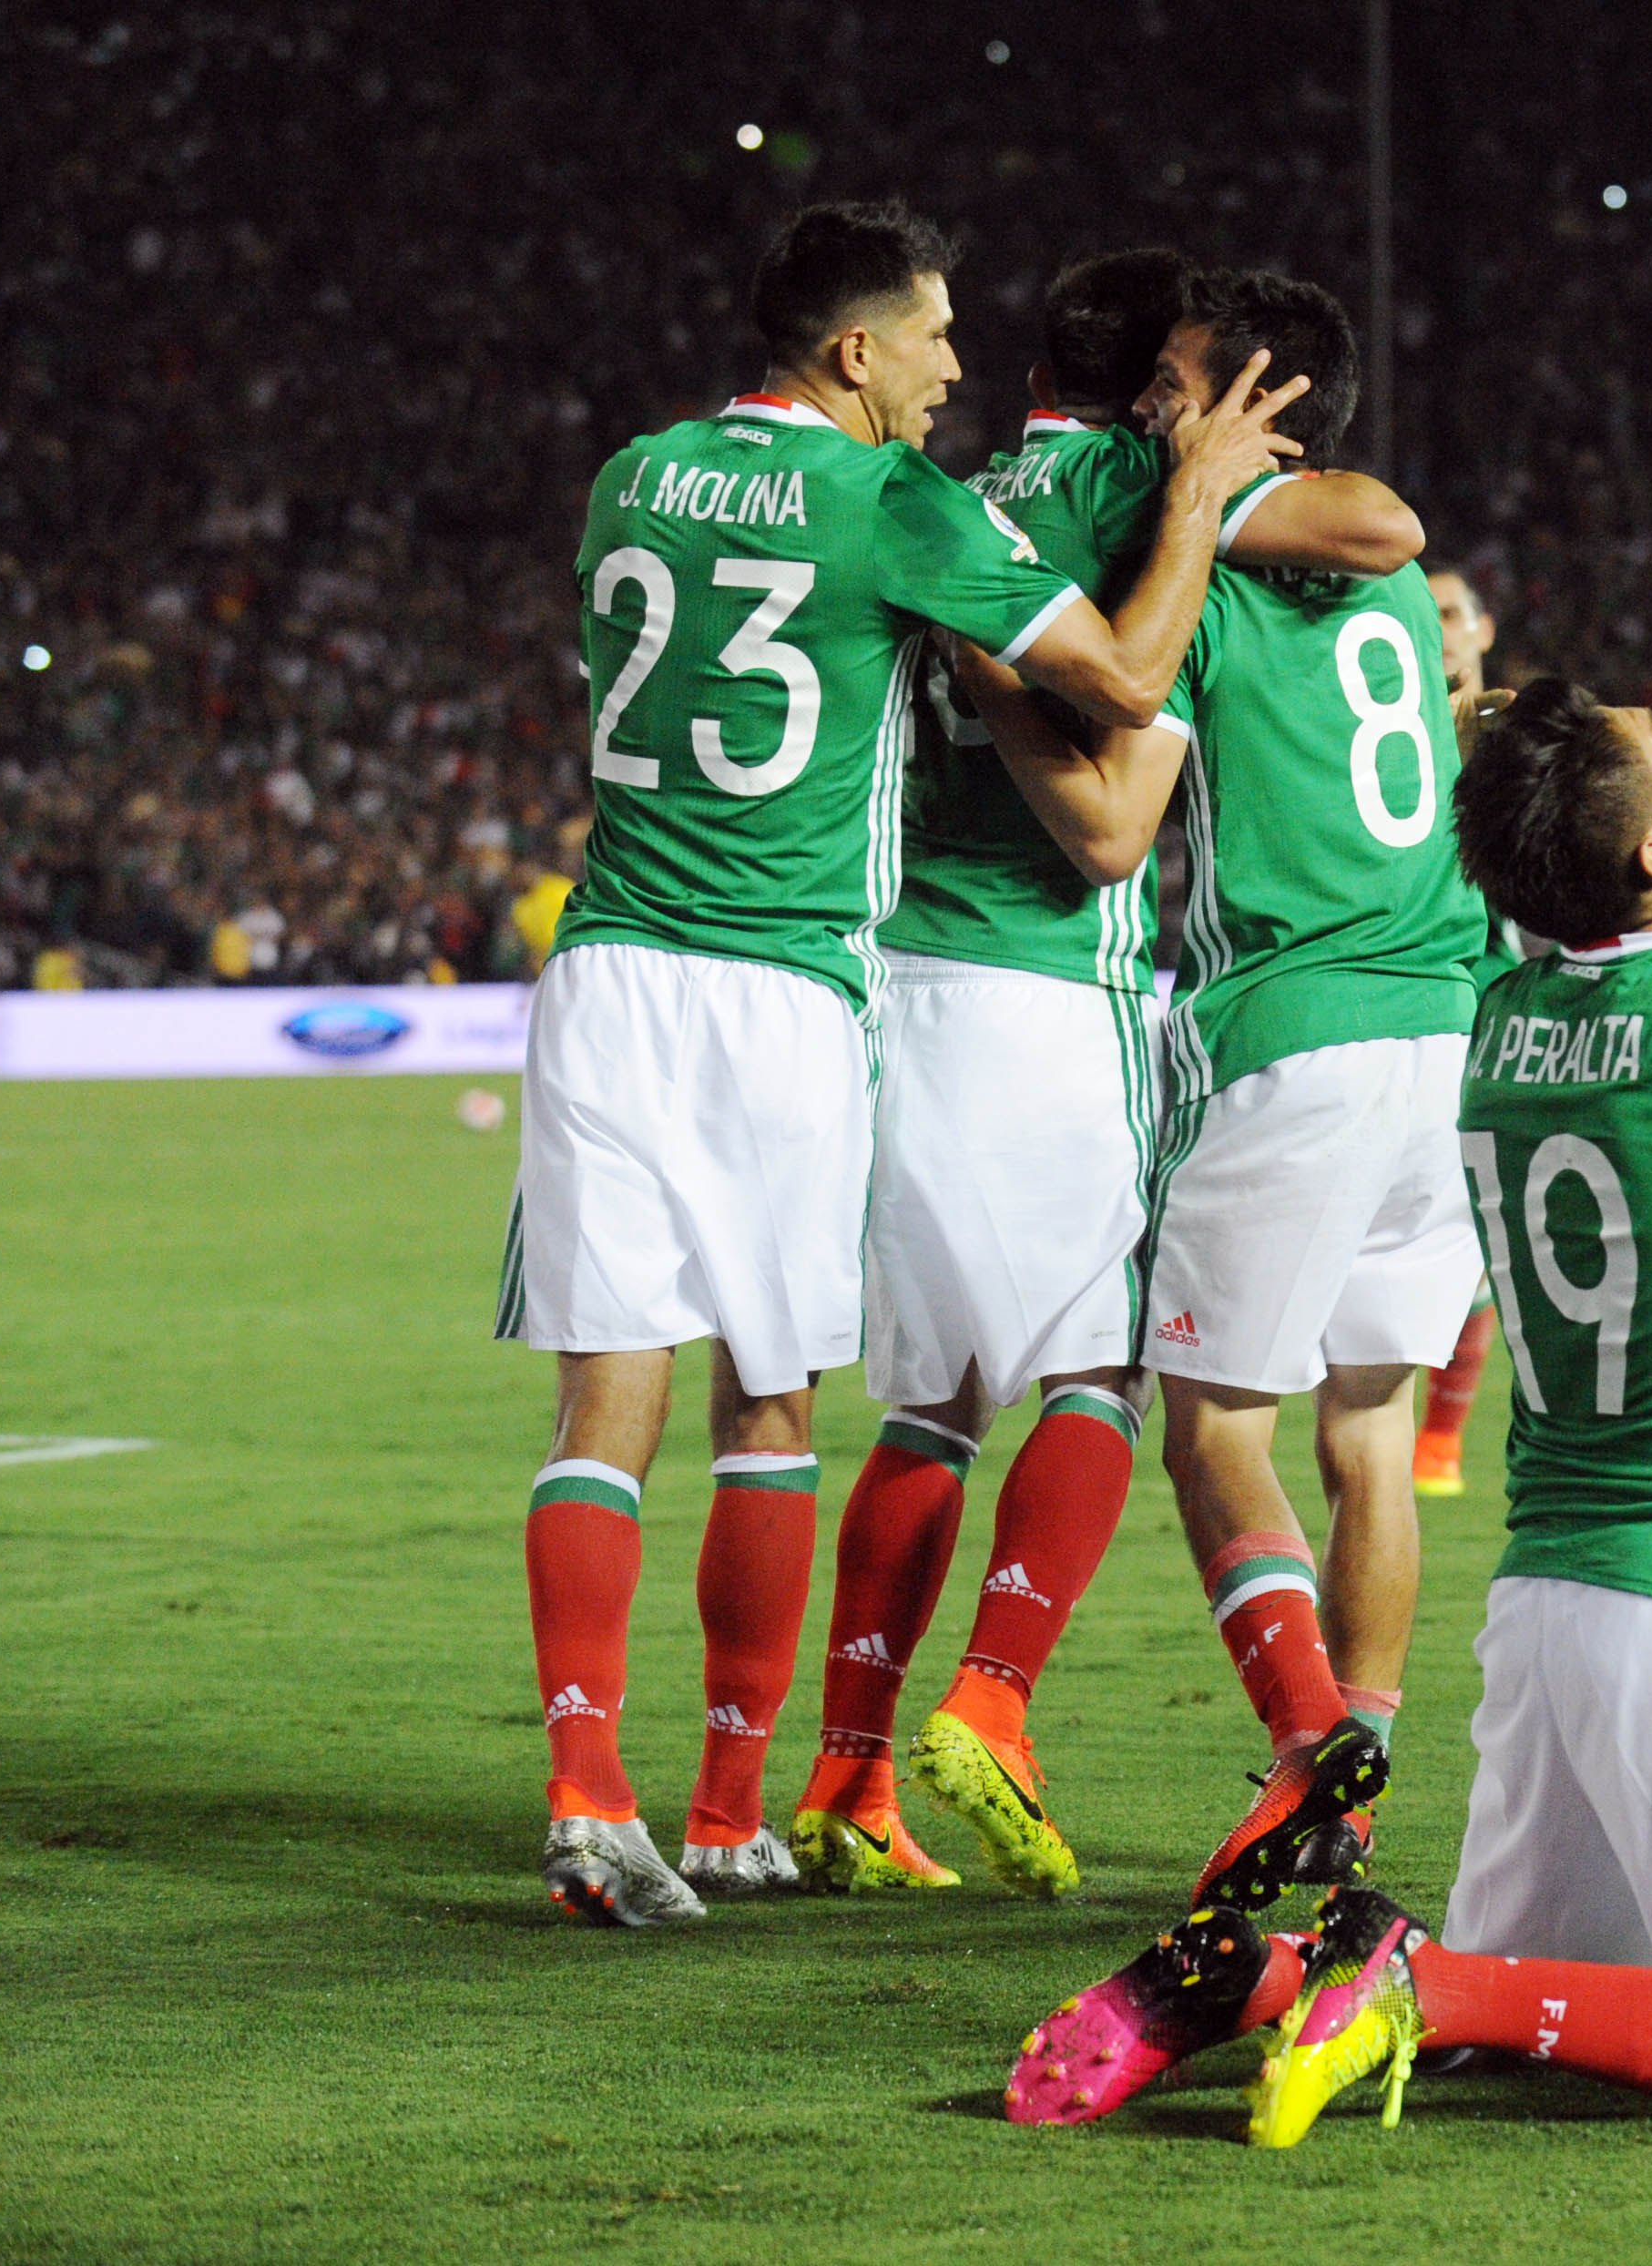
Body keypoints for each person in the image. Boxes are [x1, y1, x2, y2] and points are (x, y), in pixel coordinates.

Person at [1006, 683, 1652, 2138]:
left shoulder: (1505, 1021)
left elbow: (1585, 935)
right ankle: (1413, 1985)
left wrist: (1530, 768)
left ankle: (1253, 1979)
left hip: (1551, 1605)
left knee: (1554, 2012)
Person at [501, 200, 1298, 1926]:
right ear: (852, 351)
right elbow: (1134, 668)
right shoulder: (888, 501)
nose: (954, 367)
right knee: (770, 1406)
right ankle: (725, 1807)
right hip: (786, 986)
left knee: (600, 1408)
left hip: (612, 967)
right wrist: (1196, 494)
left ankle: (585, 1786)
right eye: (930, 335)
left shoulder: (630, 475)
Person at [792, 249, 1426, 1898]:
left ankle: (842, 1773)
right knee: (1104, 1374)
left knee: (928, 1399)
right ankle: (995, 1707)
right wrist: (1183, 504)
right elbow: (1111, 828)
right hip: (1046, 990)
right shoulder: (1135, 492)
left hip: (899, 970)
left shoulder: (951, 492)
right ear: (1153, 388)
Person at [959, 270, 1484, 1913]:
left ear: (1259, 407)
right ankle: (1342, 1787)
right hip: (1445, 1031)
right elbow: (1387, 526)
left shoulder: (1200, 589)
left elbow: (1112, 816)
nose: (1148, 415)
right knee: (1373, 1435)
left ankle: (1313, 1730)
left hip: (1302, 1030)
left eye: (1182, 389)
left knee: (1212, 1421)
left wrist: (990, 682)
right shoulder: (1391, 592)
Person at [1412, 561, 1515, 1500]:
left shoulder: (1520, 740)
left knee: (1478, 1243)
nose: (1438, 628)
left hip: (1499, 1016)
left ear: (1481, 631)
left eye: (1450, 614)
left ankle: (1438, 1439)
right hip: (1414, 1012)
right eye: (1425, 611)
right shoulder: (1384, 734)